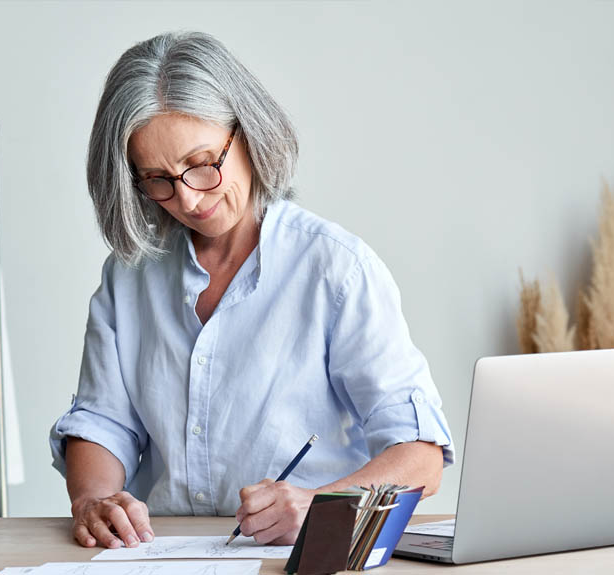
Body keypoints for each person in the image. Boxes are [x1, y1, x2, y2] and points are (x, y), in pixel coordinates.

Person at [49, 31, 454, 550]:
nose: (189, 199)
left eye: (201, 164)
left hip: (300, 557)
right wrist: (93, 500)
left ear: (248, 132)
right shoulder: (129, 274)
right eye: (158, 179)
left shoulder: (336, 269)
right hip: (160, 555)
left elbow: (420, 454)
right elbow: (104, 422)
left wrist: (320, 507)